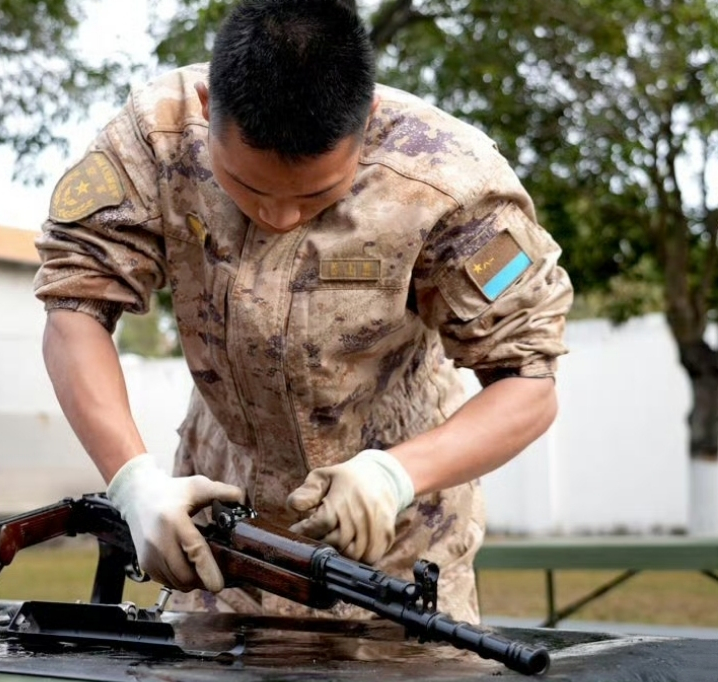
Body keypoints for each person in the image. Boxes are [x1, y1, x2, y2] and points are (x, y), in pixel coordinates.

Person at [32, 0, 572, 623]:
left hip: (398, 553)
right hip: (220, 541)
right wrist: (132, 482)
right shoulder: (153, 142)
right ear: (208, 108)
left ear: (366, 122)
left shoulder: (447, 181)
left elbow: (528, 383)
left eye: (316, 193)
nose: (279, 216)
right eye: (247, 187)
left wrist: (395, 475)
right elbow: (76, 306)